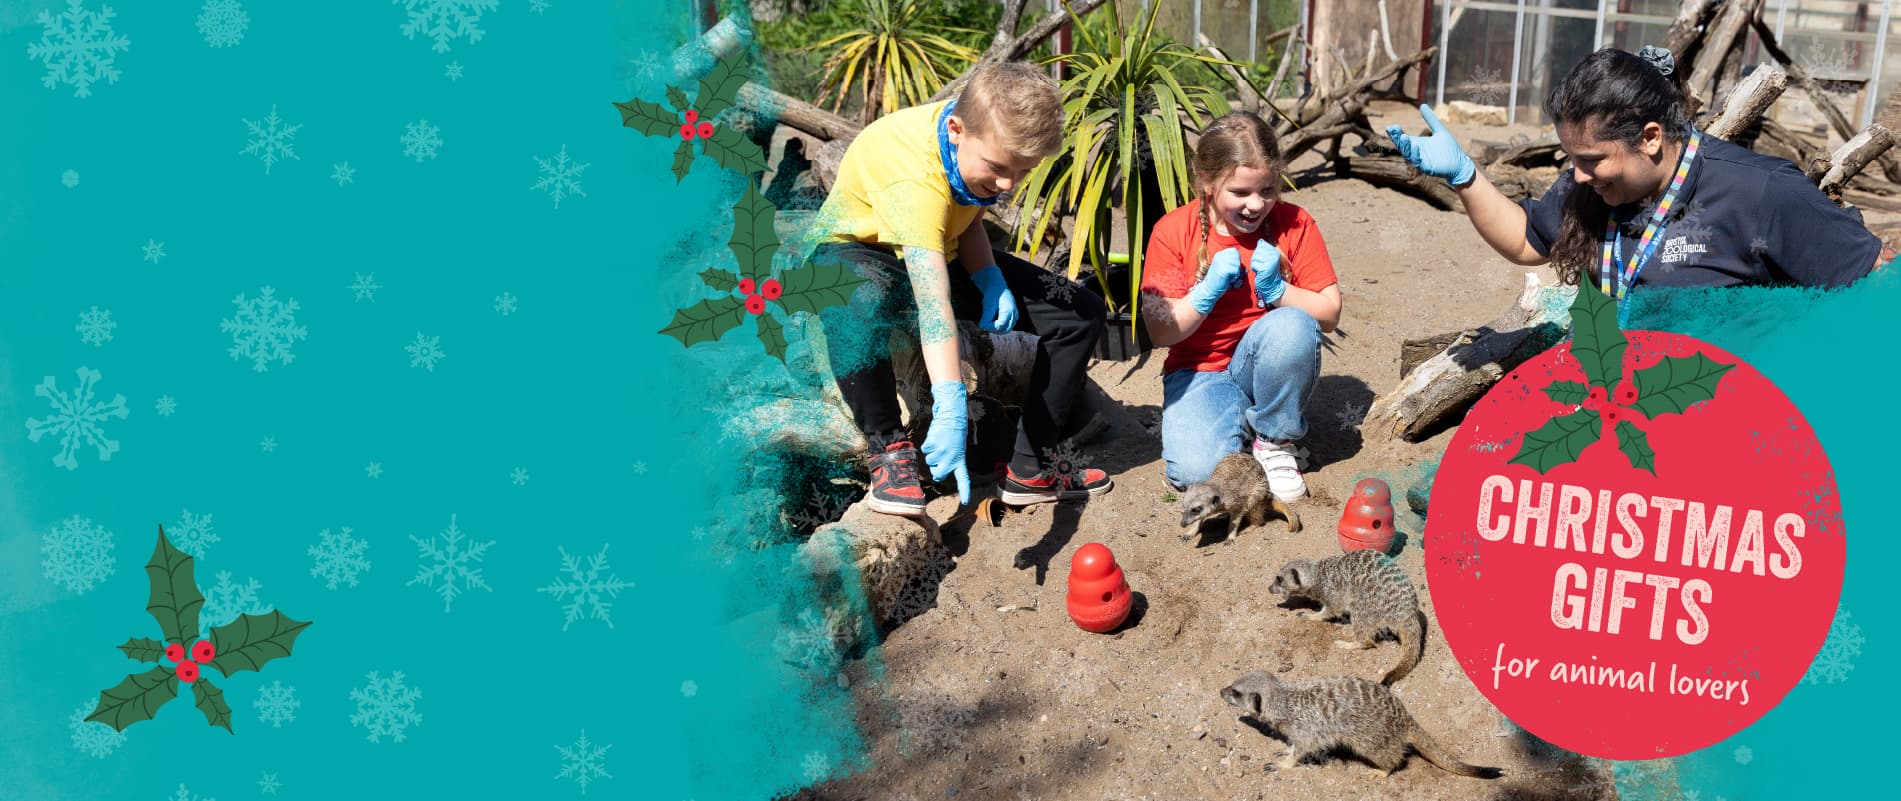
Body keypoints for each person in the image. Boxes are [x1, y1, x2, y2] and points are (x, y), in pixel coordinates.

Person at [1385, 46, 1883, 326]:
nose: (1577, 175)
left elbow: (1876, 293)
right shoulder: (1594, 188)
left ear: (1650, 138)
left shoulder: (1765, 195)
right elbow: (1523, 240)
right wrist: (1464, 176)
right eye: (1570, 159)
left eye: (1592, 159)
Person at [812, 62, 1113, 518]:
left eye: (1022, 170)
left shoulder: (972, 148)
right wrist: (952, 400)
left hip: (934, 249)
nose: (1009, 184)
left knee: (1079, 311)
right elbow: (933, 307)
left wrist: (989, 277)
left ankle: (1031, 470)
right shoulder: (912, 173)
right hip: (857, 254)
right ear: (956, 128)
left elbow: (965, 211)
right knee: (857, 299)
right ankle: (889, 452)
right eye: (998, 168)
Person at [1138, 111, 1342, 499]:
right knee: (1196, 474)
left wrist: (1278, 290)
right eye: (1240, 192)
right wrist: (1207, 291)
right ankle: (1244, 422)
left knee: (1293, 326)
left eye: (1267, 190)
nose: (1256, 205)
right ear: (1206, 182)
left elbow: (1329, 314)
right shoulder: (1171, 231)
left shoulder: (1295, 223)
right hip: (1198, 372)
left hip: (1264, 360)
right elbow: (1162, 331)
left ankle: (1274, 438)